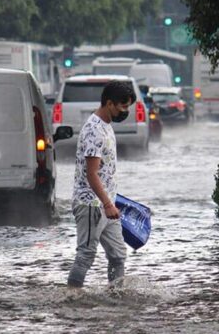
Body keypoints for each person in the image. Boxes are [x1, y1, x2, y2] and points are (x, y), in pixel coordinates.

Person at [67, 80, 134, 288]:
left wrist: (112, 202)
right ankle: (72, 296)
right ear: (109, 103)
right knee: (86, 254)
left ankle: (116, 294)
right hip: (91, 205)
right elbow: (92, 174)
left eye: (128, 106)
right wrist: (107, 203)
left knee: (118, 255)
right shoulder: (93, 130)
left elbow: (106, 171)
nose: (125, 111)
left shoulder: (106, 125)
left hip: (107, 205)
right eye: (122, 106)